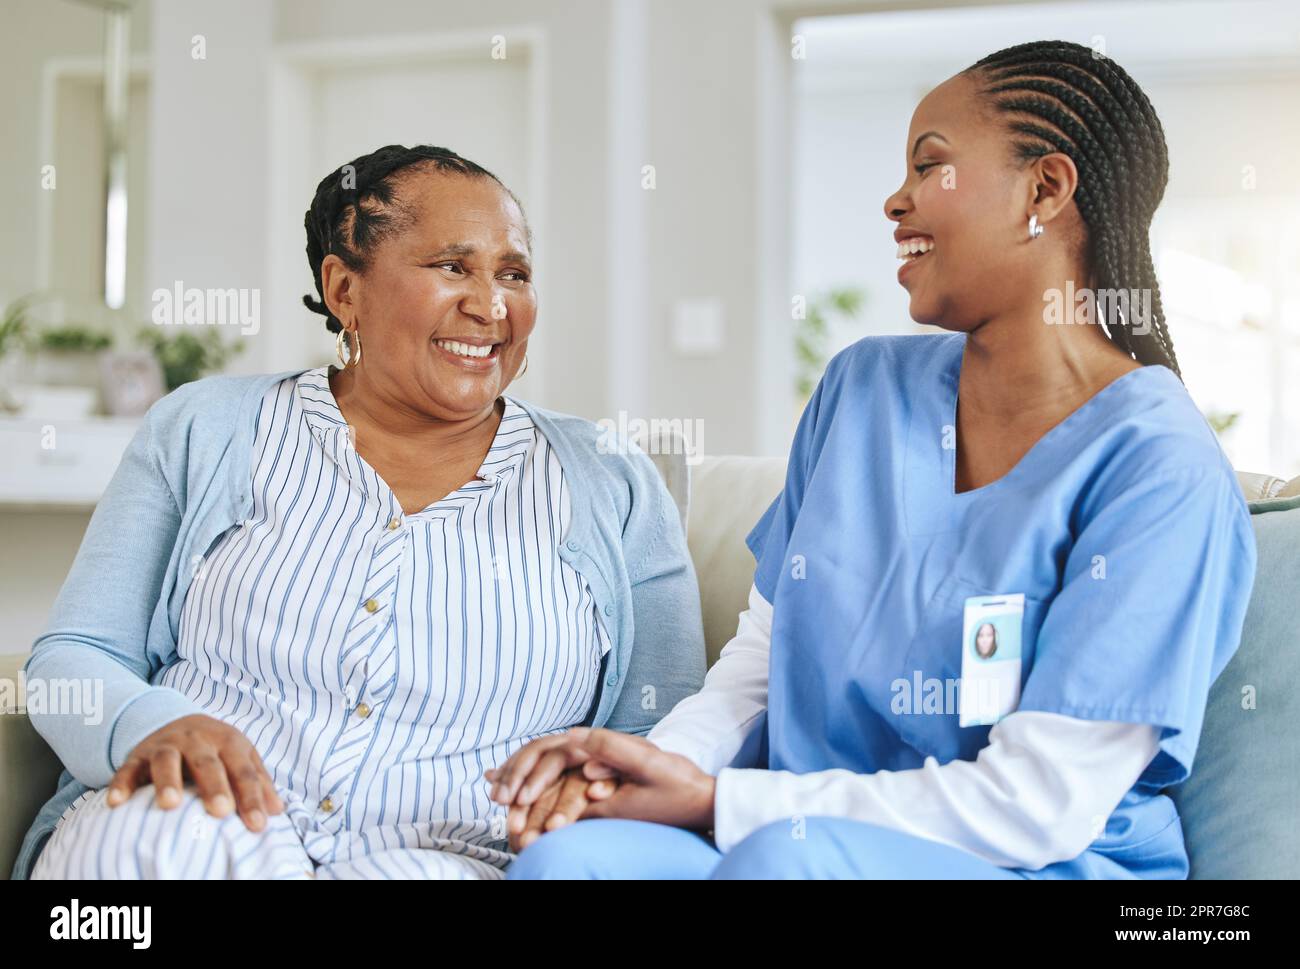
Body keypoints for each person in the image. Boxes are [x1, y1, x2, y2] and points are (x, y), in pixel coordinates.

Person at [490, 41, 1257, 880]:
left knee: (786, 868)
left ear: (1045, 189)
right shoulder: (863, 389)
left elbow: (1036, 806)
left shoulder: (1159, 467)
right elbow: (759, 659)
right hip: (786, 826)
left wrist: (724, 804)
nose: (896, 200)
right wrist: (638, 771)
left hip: (1028, 862)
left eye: (930, 166)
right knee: (573, 863)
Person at [15, 144, 704, 881]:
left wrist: (591, 782)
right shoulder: (204, 429)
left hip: (453, 855)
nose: (491, 305)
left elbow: (663, 730)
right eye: (452, 266)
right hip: (191, 820)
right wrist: (153, 726)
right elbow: (76, 656)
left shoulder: (614, 480)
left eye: (514, 273)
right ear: (345, 289)